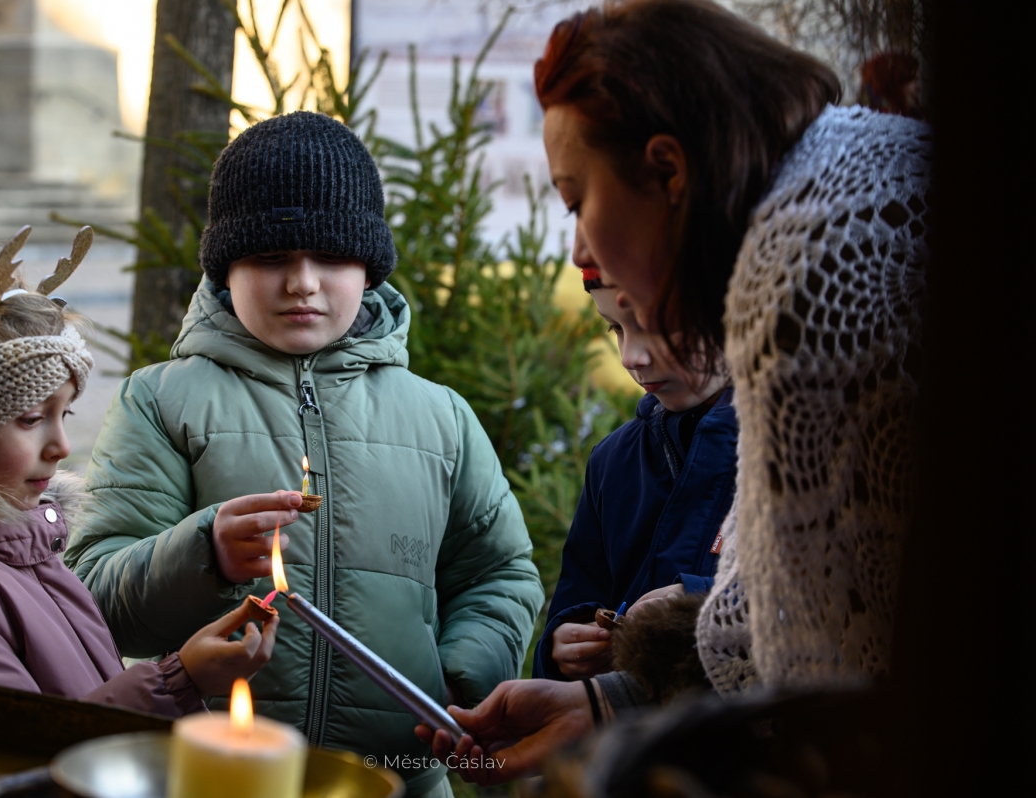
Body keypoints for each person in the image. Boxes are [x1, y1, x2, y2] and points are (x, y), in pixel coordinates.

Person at [419, 0, 930, 783]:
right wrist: (602, 702)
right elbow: (769, 626)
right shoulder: (828, 200)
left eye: (576, 200)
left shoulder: (815, 265)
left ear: (668, 170)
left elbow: (822, 666)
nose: (580, 246)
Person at [64, 111, 544, 798]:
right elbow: (94, 594)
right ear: (225, 266)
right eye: (271, 258)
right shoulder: (161, 402)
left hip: (399, 780)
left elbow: (500, 573)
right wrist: (204, 552)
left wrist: (457, 677)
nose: (302, 282)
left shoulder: (441, 418)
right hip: (213, 780)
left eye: (331, 257)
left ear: (369, 268)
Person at [0, 247, 278, 717]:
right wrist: (180, 681)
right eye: (31, 418)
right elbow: (12, 750)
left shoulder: (15, 543)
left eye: (64, 414)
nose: (62, 447)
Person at [533, 266, 736, 682]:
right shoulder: (612, 461)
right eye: (616, 329)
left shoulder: (803, 449)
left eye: (653, 326)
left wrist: (699, 603)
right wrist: (564, 645)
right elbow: (581, 593)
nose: (630, 358)